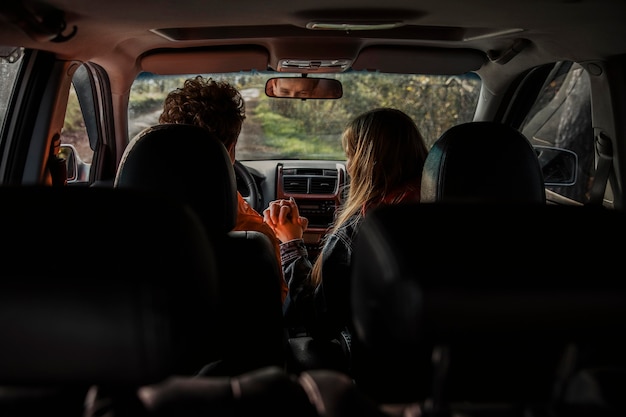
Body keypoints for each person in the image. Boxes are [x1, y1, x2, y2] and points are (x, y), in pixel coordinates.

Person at [263, 107, 429, 347]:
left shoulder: (365, 228)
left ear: (367, 162)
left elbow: (318, 323)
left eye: (350, 155)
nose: (348, 166)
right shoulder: (442, 214)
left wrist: (291, 243)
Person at [159, 75, 288, 303]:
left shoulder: (130, 229)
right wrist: (285, 242)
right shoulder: (255, 238)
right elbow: (276, 308)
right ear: (231, 149)